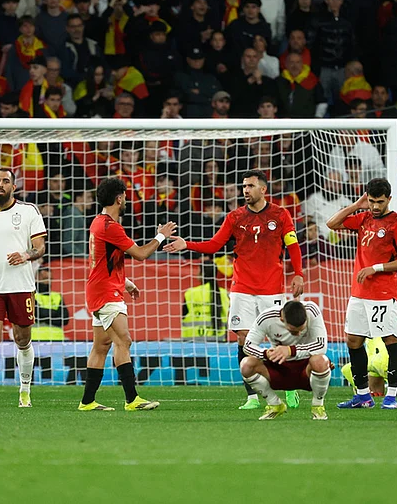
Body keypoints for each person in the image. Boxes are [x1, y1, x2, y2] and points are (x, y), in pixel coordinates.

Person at [164, 170, 305, 410]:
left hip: (271, 289)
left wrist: (299, 273)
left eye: (250, 186)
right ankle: (252, 395)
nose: (246, 191)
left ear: (263, 189)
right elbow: (214, 245)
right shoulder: (235, 217)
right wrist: (186, 244)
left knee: (278, 337)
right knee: (243, 338)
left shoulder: (281, 215)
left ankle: (290, 388)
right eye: (244, 187)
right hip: (242, 288)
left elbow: (293, 245)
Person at [78, 177, 176, 411]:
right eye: (124, 195)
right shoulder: (110, 227)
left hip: (101, 287)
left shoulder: (98, 222)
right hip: (106, 292)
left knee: (101, 346)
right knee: (124, 340)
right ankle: (132, 399)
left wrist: (126, 282)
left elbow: (101, 261)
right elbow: (141, 254)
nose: (126, 200)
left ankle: (87, 401)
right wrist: (161, 236)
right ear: (119, 198)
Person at [326, 178, 397, 410]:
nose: (375, 207)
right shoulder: (364, 218)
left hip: (383, 293)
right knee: (353, 341)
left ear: (389, 200)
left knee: (389, 340)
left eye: (380, 202)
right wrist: (357, 205)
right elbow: (331, 224)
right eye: (372, 201)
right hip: (359, 294)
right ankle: (363, 396)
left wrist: (375, 268)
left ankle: (391, 395)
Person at [0, 168, 47, 408]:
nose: (0, 184)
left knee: (22, 339)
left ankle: (25, 391)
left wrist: (25, 255)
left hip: (20, 285)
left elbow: (40, 247)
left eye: (5, 181)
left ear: (14, 187)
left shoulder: (28, 211)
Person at [241, 300, 331, 420]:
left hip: (305, 369)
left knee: (321, 361)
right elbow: (248, 346)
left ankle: (318, 406)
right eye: (294, 331)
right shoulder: (267, 317)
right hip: (279, 368)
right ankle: (275, 404)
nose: (299, 334)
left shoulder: (311, 310)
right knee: (246, 365)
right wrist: (266, 354)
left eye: (302, 330)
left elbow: (321, 345)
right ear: (282, 319)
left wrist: (290, 350)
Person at [33, 267, 70, 341]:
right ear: (37, 278)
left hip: (58, 339)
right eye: (45, 278)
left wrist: (44, 315)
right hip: (36, 338)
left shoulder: (57, 296)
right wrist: (54, 313)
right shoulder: (31, 295)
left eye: (50, 279)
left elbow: (65, 319)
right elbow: (36, 314)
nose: (48, 282)